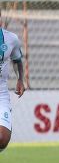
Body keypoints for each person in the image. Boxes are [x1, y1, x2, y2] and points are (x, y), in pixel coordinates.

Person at [0, 22, 25, 152]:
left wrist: (20, 79)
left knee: (3, 139)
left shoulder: (11, 39)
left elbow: (17, 60)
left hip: (1, 95)